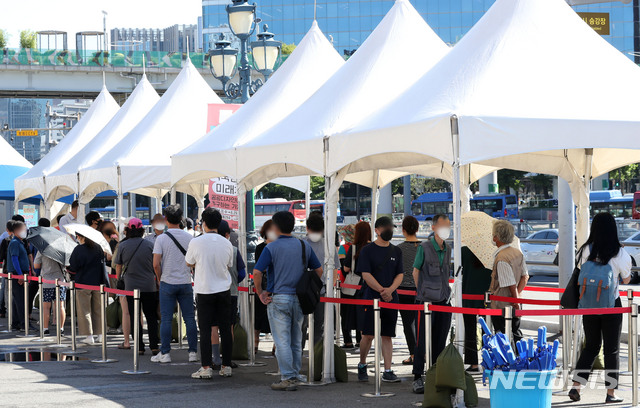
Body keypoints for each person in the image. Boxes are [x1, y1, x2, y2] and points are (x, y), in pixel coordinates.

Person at [254, 211, 323, 392]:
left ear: (275, 227)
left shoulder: (271, 247)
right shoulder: (303, 245)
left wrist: (261, 292)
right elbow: (319, 270)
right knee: (296, 338)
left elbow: (257, 272)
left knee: (282, 339)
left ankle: (288, 377)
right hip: (300, 298)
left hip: (279, 298)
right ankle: (296, 373)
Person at [569, 213, 631, 404]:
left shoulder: (585, 250)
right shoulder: (619, 253)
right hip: (611, 305)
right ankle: (611, 393)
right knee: (611, 350)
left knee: (591, 346)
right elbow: (627, 279)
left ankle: (576, 387)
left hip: (588, 305)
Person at [186, 208, 235, 379]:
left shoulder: (196, 242)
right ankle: (226, 365)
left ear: (203, 224)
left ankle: (206, 367)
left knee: (205, 329)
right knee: (226, 329)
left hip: (204, 289)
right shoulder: (227, 243)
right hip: (223, 290)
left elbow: (188, 262)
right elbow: (229, 265)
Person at [355, 216, 403, 383]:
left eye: (391, 227)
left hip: (391, 298)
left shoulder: (396, 251)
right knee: (368, 335)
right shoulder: (367, 250)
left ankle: (388, 370)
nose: (389, 230)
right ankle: (362, 364)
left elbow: (400, 274)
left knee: (387, 335)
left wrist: (390, 290)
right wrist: (382, 290)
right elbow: (365, 274)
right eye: (385, 228)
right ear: (377, 230)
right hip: (372, 298)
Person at [412, 214, 453, 394]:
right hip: (426, 301)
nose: (446, 229)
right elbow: (416, 271)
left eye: (448, 225)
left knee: (440, 338)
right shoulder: (425, 247)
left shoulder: (449, 248)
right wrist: (421, 291)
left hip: (444, 299)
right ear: (434, 227)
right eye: (443, 225)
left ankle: (436, 372)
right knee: (422, 340)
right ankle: (417, 376)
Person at [151, 205, 197, 363]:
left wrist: (159, 278)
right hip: (185, 282)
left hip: (167, 282)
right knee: (189, 318)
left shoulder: (161, 238)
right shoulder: (190, 238)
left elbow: (156, 263)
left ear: (166, 219)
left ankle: (165, 353)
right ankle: (192, 352)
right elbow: (193, 262)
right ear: (181, 218)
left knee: (166, 319)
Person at [114, 218, 159, 356]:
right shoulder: (150, 244)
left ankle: (139, 346)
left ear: (127, 230)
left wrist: (118, 278)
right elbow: (155, 264)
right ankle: (154, 346)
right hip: (149, 286)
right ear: (142, 230)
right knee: (151, 316)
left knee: (134, 316)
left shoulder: (122, 246)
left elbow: (118, 266)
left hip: (130, 286)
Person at [302, 211, 340, 346]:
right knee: (319, 325)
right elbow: (335, 269)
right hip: (322, 290)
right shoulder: (329, 245)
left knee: (301, 325)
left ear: (307, 227)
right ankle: (317, 355)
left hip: (303, 290)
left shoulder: (301, 243)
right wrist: (331, 287)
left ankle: (298, 357)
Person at [488, 220, 528, 343]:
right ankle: (520, 360)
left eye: (494, 234)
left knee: (502, 337)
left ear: (497, 237)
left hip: (502, 304)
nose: (492, 237)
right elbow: (525, 277)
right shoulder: (517, 253)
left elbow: (510, 283)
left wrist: (514, 300)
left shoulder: (501, 258)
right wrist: (517, 298)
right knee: (516, 333)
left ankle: (508, 362)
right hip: (516, 302)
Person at [213, 220, 246, 366]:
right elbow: (242, 273)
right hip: (230, 292)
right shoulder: (233, 250)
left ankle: (215, 358)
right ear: (227, 234)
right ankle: (228, 359)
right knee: (229, 326)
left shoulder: (208, 248)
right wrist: (234, 281)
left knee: (213, 326)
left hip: (211, 291)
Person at [68, 230, 108, 344]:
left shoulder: (78, 249)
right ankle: (101, 334)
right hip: (98, 283)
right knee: (99, 310)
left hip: (83, 283)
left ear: (80, 237)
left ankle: (89, 336)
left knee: (84, 310)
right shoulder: (98, 248)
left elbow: (73, 266)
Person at [341, 221, 370, 348]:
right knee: (362, 314)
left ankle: (348, 341)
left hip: (352, 286)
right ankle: (360, 340)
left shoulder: (353, 248)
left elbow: (346, 268)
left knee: (347, 313)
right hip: (369, 285)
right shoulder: (373, 247)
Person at [396, 216, 420, 366]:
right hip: (420, 290)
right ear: (417, 229)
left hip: (402, 290)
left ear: (403, 230)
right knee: (421, 323)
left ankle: (413, 354)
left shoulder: (398, 249)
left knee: (407, 323)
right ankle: (422, 352)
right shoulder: (425, 247)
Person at [254, 220, 275, 353]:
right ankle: (256, 342)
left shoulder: (274, 247)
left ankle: (274, 345)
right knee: (260, 315)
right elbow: (259, 269)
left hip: (267, 285)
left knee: (271, 317)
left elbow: (259, 269)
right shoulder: (261, 247)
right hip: (265, 285)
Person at [34, 249, 66, 335]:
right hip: (60, 281)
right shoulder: (62, 249)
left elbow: (36, 265)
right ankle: (61, 328)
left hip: (46, 281)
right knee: (60, 306)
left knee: (46, 307)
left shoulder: (42, 249)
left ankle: (45, 329)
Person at [7, 221, 31, 331]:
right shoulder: (15, 243)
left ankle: (16, 322)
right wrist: (20, 274)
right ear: (16, 231)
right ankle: (24, 324)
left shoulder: (20, 242)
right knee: (21, 300)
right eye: (23, 229)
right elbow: (14, 259)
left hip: (21, 273)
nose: (25, 232)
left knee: (17, 300)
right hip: (18, 274)